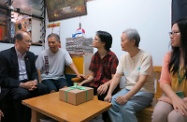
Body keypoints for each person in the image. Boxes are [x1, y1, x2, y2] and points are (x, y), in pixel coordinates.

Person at [104, 29, 154, 122]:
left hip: (145, 91)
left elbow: (142, 81)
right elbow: (117, 76)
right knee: (110, 102)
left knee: (125, 106)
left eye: (123, 40)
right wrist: (109, 93)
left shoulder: (145, 56)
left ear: (133, 42)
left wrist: (126, 97)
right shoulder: (124, 58)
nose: (120, 43)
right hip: (128, 89)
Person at [0, 31, 48, 122]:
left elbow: (34, 72)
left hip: (28, 82)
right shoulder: (4, 56)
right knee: (22, 94)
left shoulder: (31, 55)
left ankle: (39, 118)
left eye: (30, 41)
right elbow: (3, 79)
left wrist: (34, 81)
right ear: (17, 41)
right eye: (27, 41)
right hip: (14, 85)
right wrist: (22, 85)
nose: (30, 44)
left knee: (44, 88)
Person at [78, 30, 119, 121]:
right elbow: (92, 76)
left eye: (96, 39)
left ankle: (105, 119)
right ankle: (85, 116)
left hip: (108, 86)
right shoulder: (95, 56)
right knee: (82, 90)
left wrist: (106, 84)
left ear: (103, 43)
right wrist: (82, 83)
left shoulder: (113, 57)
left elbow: (115, 78)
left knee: (102, 94)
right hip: (96, 84)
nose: (93, 40)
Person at [152, 18, 187, 122]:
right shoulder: (169, 56)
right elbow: (164, 82)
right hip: (171, 96)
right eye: (171, 33)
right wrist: (175, 99)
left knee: (175, 117)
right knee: (159, 114)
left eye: (175, 33)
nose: (171, 36)